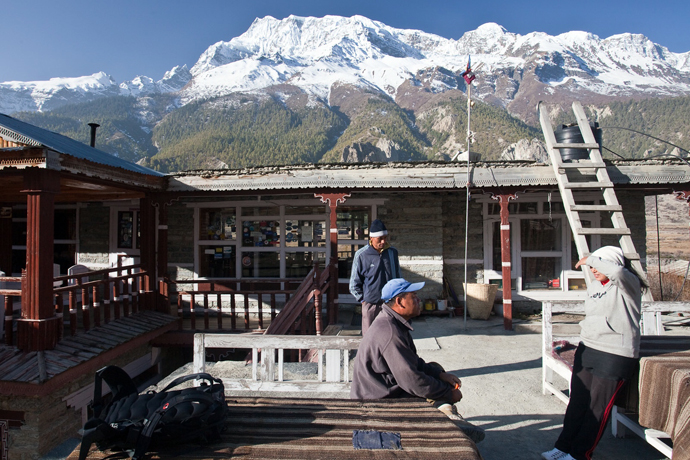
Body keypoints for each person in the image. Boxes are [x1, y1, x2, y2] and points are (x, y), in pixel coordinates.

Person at [542, 246, 648, 460]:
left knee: (597, 408)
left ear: (612, 263)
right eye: (591, 266)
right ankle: (562, 447)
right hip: (589, 348)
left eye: (597, 264)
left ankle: (580, 454)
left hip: (615, 354)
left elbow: (617, 273)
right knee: (577, 403)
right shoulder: (595, 288)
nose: (593, 269)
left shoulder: (628, 285)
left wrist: (590, 258)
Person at [350, 278, 485, 443]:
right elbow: (412, 380)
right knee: (432, 387)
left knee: (435, 369)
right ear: (400, 302)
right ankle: (449, 421)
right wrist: (447, 392)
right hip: (378, 403)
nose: (419, 300)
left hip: (387, 390)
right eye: (413, 296)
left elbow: (413, 362)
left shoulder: (393, 322)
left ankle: (447, 415)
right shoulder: (390, 331)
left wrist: (440, 374)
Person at [349, 219, 400, 335]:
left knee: (390, 336)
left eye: (385, 238)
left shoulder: (392, 253)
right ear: (371, 238)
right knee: (370, 338)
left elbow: (398, 277)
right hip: (370, 305)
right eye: (380, 238)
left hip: (390, 304)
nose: (383, 241)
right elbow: (353, 284)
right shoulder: (361, 255)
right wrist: (363, 301)